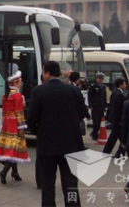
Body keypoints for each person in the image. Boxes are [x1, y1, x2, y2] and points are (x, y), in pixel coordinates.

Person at [27, 61, 85, 207]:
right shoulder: (73, 90)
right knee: (70, 183)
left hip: (47, 144)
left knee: (47, 183)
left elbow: (32, 118)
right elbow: (83, 112)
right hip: (71, 144)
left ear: (47, 73)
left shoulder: (39, 91)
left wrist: (37, 131)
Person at [0, 71, 30, 184]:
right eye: (20, 82)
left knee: (9, 146)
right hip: (14, 123)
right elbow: (19, 112)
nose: (21, 84)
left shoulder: (5, 95)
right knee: (14, 147)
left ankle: (15, 172)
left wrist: (3, 123)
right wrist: (21, 126)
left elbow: (4, 111)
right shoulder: (17, 95)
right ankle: (4, 172)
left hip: (7, 123)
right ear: (16, 83)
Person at [102, 78, 126, 157]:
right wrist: (120, 120)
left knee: (116, 136)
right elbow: (118, 108)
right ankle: (119, 153)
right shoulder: (120, 95)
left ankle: (108, 151)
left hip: (114, 118)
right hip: (117, 120)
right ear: (120, 85)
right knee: (119, 136)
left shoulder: (114, 93)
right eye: (124, 84)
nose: (125, 86)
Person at [87, 72, 107, 141]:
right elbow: (90, 96)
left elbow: (104, 97)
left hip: (101, 106)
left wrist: (105, 105)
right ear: (97, 79)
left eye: (101, 79)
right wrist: (91, 105)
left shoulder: (103, 86)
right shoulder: (93, 86)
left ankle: (94, 133)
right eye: (99, 78)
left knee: (100, 122)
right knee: (96, 122)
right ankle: (94, 135)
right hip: (95, 106)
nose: (100, 80)